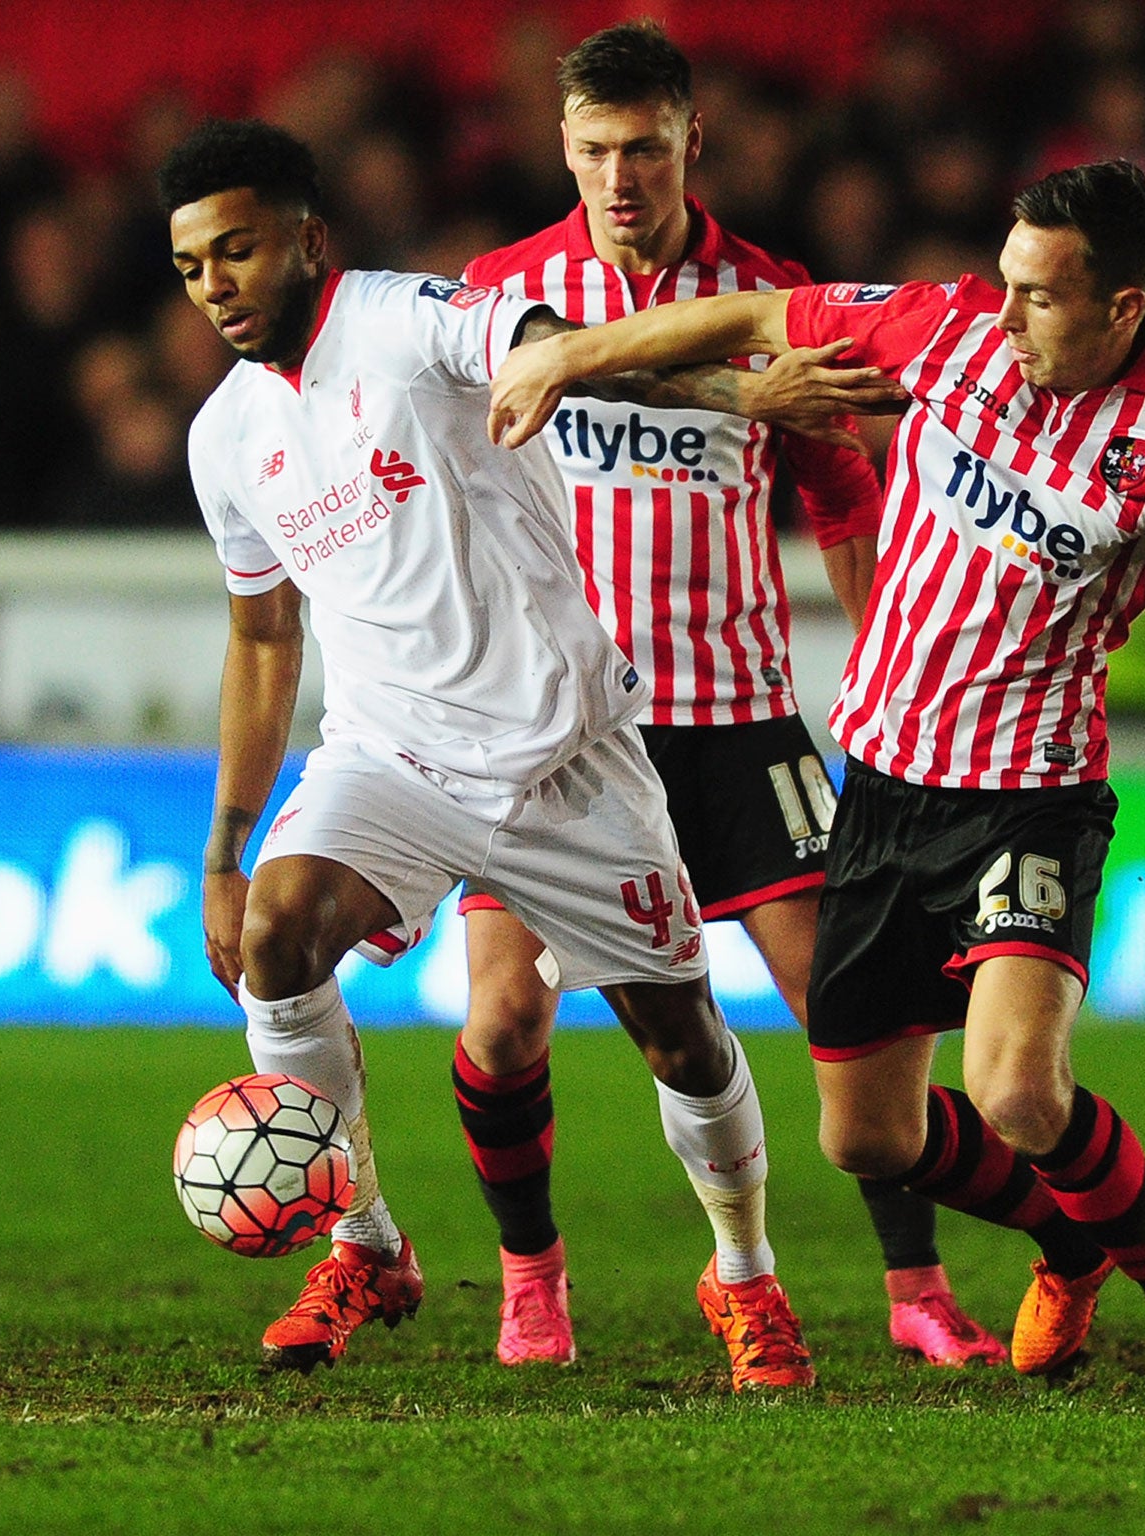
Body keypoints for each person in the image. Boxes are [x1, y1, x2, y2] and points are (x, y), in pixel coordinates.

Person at [489, 158, 1145, 1402]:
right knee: (864, 1135)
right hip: (878, 784)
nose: (1009, 306)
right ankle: (1069, 1243)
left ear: (1127, 307)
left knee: (1016, 1090)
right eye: (1008, 277)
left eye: (1041, 293)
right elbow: (751, 318)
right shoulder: (949, 329)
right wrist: (569, 354)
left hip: (1027, 793)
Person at [170, 118, 883, 1387]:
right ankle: (364, 1240)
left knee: (683, 1038)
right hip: (389, 757)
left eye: (237, 249)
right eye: (190, 267)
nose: (216, 284)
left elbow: (563, 356)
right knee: (277, 936)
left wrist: (736, 392)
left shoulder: (403, 321)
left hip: (566, 755)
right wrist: (227, 843)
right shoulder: (224, 437)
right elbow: (262, 637)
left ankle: (743, 1275)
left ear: (306, 240)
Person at [451, 19, 1002, 1370]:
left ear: (692, 140)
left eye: (643, 146)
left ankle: (916, 1292)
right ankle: (533, 1279)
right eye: (593, 149)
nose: (619, 177)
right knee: (506, 1015)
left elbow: (848, 509)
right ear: (562, 146)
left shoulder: (775, 293)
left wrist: (896, 682)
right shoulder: (506, 290)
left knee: (849, 1015)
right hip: (559, 728)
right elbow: (478, 435)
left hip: (736, 718)